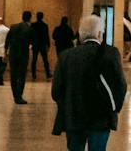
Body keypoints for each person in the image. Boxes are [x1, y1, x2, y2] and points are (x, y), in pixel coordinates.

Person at [52, 13, 127, 151]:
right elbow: (121, 85)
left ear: (80, 35)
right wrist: (113, 108)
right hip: (101, 117)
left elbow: (56, 90)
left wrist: (68, 105)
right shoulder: (111, 53)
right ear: (99, 33)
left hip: (74, 116)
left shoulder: (66, 56)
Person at [7, 14, 33, 103]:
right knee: (21, 75)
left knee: (13, 75)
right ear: (30, 18)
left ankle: (15, 95)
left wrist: (5, 52)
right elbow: (32, 42)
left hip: (13, 54)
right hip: (23, 54)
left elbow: (7, 40)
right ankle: (19, 96)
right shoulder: (29, 29)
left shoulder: (13, 27)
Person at [32, 10, 53, 78]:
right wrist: (48, 45)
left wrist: (31, 43)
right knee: (45, 60)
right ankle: (47, 74)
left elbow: (31, 35)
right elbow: (47, 36)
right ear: (42, 17)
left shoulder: (33, 25)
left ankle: (34, 75)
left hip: (35, 44)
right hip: (42, 44)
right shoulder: (45, 25)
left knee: (34, 60)